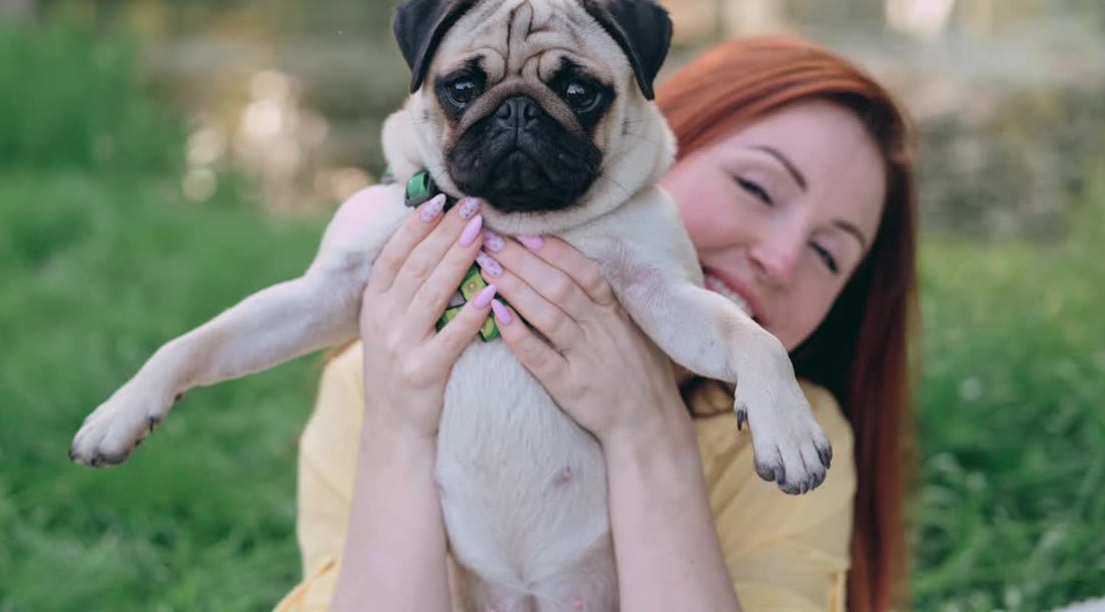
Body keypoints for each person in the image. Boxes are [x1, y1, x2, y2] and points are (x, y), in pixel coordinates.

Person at [274, 35, 919, 612]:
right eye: (756, 187)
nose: (779, 260)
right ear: (641, 140)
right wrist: (402, 425)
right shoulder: (378, 381)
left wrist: (646, 431)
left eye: (829, 254)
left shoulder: (796, 440)